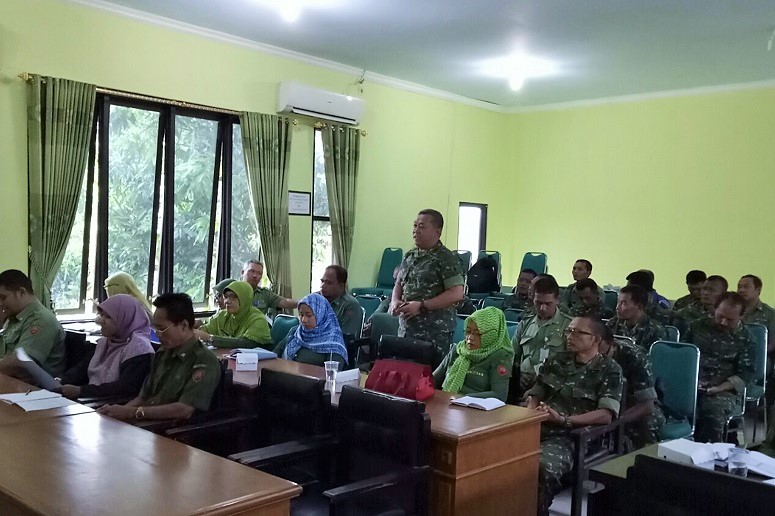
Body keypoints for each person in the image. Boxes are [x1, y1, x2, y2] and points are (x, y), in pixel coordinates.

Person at [526, 316, 623, 515]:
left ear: (595, 339)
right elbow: (536, 393)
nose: (569, 336)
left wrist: (565, 420)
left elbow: (606, 415)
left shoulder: (609, 369)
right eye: (568, 331)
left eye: (577, 332)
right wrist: (530, 414)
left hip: (572, 436)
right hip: (538, 425)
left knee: (537, 469)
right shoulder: (557, 360)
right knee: (497, 457)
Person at [97, 293, 220, 422]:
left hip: (169, 431)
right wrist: (118, 415)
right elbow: (143, 398)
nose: (158, 334)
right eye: (155, 328)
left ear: (184, 325)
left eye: (161, 329)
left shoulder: (203, 360)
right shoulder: (163, 353)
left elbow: (184, 410)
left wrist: (133, 413)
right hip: (144, 423)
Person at [682, 292, 755, 443]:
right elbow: (682, 356)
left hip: (722, 389)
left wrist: (720, 388)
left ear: (741, 316)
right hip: (690, 384)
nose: (723, 322)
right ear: (714, 309)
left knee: (712, 413)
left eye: (730, 319)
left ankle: (708, 457)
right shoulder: (697, 327)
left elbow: (745, 376)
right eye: (720, 316)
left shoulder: (747, 339)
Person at [391, 209, 465, 356]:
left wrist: (422, 306)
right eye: (415, 226)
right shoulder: (410, 256)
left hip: (434, 334)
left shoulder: (446, 258)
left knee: (428, 378)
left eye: (422, 227)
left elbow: (456, 293)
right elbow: (399, 284)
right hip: (407, 329)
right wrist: (395, 301)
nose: (416, 231)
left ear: (437, 232)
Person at [59, 294, 154, 400]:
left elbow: (125, 388)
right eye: (101, 315)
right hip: (93, 399)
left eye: (108, 317)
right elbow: (81, 370)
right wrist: (60, 381)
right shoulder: (105, 342)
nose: (101, 321)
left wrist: (81, 391)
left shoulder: (139, 348)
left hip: (113, 405)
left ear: (125, 318)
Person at [599, 326, 664, 450]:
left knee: (648, 422)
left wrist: (615, 421)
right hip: (602, 403)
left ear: (610, 343)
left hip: (632, 405)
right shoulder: (578, 352)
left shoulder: (633, 356)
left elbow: (647, 405)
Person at [433, 307, 514, 402]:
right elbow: (432, 380)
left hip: (475, 410)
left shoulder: (500, 356)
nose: (470, 338)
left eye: (477, 333)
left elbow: (499, 395)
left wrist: (462, 399)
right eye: (468, 332)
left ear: (491, 334)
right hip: (446, 403)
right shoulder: (458, 349)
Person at [512, 276, 571, 397]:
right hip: (522, 382)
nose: (542, 308)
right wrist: (518, 375)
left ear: (557, 300)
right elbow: (512, 355)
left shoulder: (569, 325)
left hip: (552, 388)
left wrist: (543, 383)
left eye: (548, 303)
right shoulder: (525, 323)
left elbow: (571, 363)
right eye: (538, 303)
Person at [0, 269, 65, 377]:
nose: (0, 303)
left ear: (21, 292)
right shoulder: (15, 317)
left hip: (36, 389)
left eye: (3, 297)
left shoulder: (41, 320)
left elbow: (20, 364)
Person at [274, 293, 348, 368]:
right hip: (284, 375)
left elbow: (332, 374)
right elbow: (274, 356)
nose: (304, 320)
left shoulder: (333, 342)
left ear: (321, 315)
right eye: (301, 315)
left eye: (309, 315)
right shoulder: (295, 332)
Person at [194, 281, 272, 349]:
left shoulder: (258, 319)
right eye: (226, 297)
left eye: (233, 297)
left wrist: (209, 338)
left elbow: (246, 343)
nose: (227, 301)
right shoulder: (222, 315)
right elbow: (206, 329)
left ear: (244, 299)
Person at [606, 285, 666, 351]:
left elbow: (653, 359)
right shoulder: (613, 323)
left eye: (623, 303)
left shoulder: (655, 330)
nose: (617, 307)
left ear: (639, 306)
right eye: (618, 302)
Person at [320, 265, 363, 337]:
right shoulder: (317, 298)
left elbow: (346, 338)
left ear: (341, 286)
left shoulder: (351, 305)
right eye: (322, 281)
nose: (323, 286)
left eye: (329, 283)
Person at [737, 274, 775, 352]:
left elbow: (772, 345)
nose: (741, 290)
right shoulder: (732, 310)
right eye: (739, 287)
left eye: (746, 287)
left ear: (758, 290)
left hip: (759, 357)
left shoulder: (771, 314)